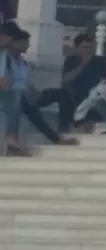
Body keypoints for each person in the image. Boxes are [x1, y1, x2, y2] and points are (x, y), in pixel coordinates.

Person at [3, 23, 76, 154]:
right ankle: (12, 141)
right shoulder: (5, 59)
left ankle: (65, 127)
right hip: (10, 95)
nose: (27, 46)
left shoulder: (24, 64)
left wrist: (37, 95)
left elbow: (29, 84)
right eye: (24, 43)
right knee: (23, 102)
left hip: (26, 95)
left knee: (61, 93)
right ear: (13, 43)